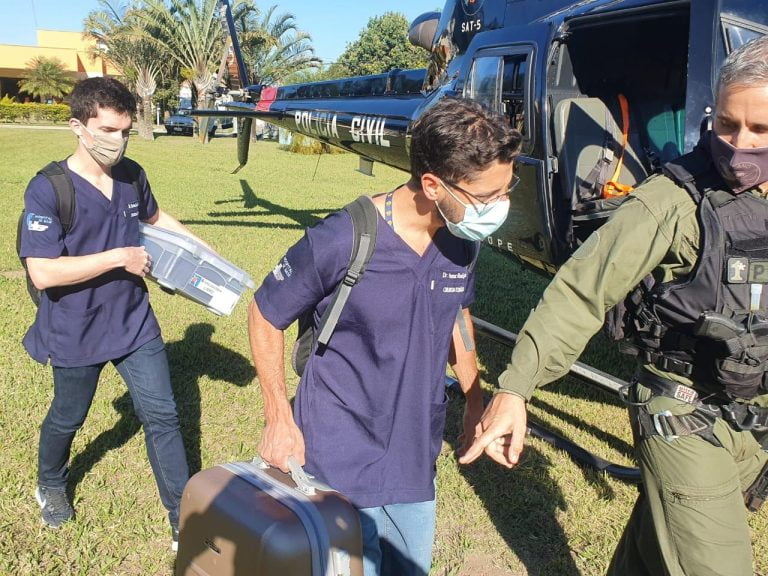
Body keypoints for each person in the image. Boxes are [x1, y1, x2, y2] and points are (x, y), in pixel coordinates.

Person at [460, 36, 768, 576]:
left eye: (761, 130)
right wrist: (515, 387)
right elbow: (582, 289)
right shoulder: (670, 202)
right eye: (726, 125)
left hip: (750, 418)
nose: (740, 144)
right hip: (685, 416)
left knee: (653, 551)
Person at [248, 98, 522, 576]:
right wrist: (278, 418)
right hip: (335, 459)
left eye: (507, 189)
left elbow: (457, 315)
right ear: (434, 186)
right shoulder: (343, 238)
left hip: (415, 461)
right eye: (488, 196)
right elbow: (264, 314)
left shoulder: (463, 240)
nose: (501, 206)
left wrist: (475, 402)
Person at [20, 77, 210, 550]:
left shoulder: (132, 174)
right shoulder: (49, 189)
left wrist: (202, 252)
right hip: (75, 327)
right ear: (78, 127)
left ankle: (181, 518)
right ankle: (51, 482)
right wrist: (118, 257)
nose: (117, 141)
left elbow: (154, 218)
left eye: (125, 130)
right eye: (107, 129)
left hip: (133, 322)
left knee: (163, 415)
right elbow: (42, 272)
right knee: (69, 416)